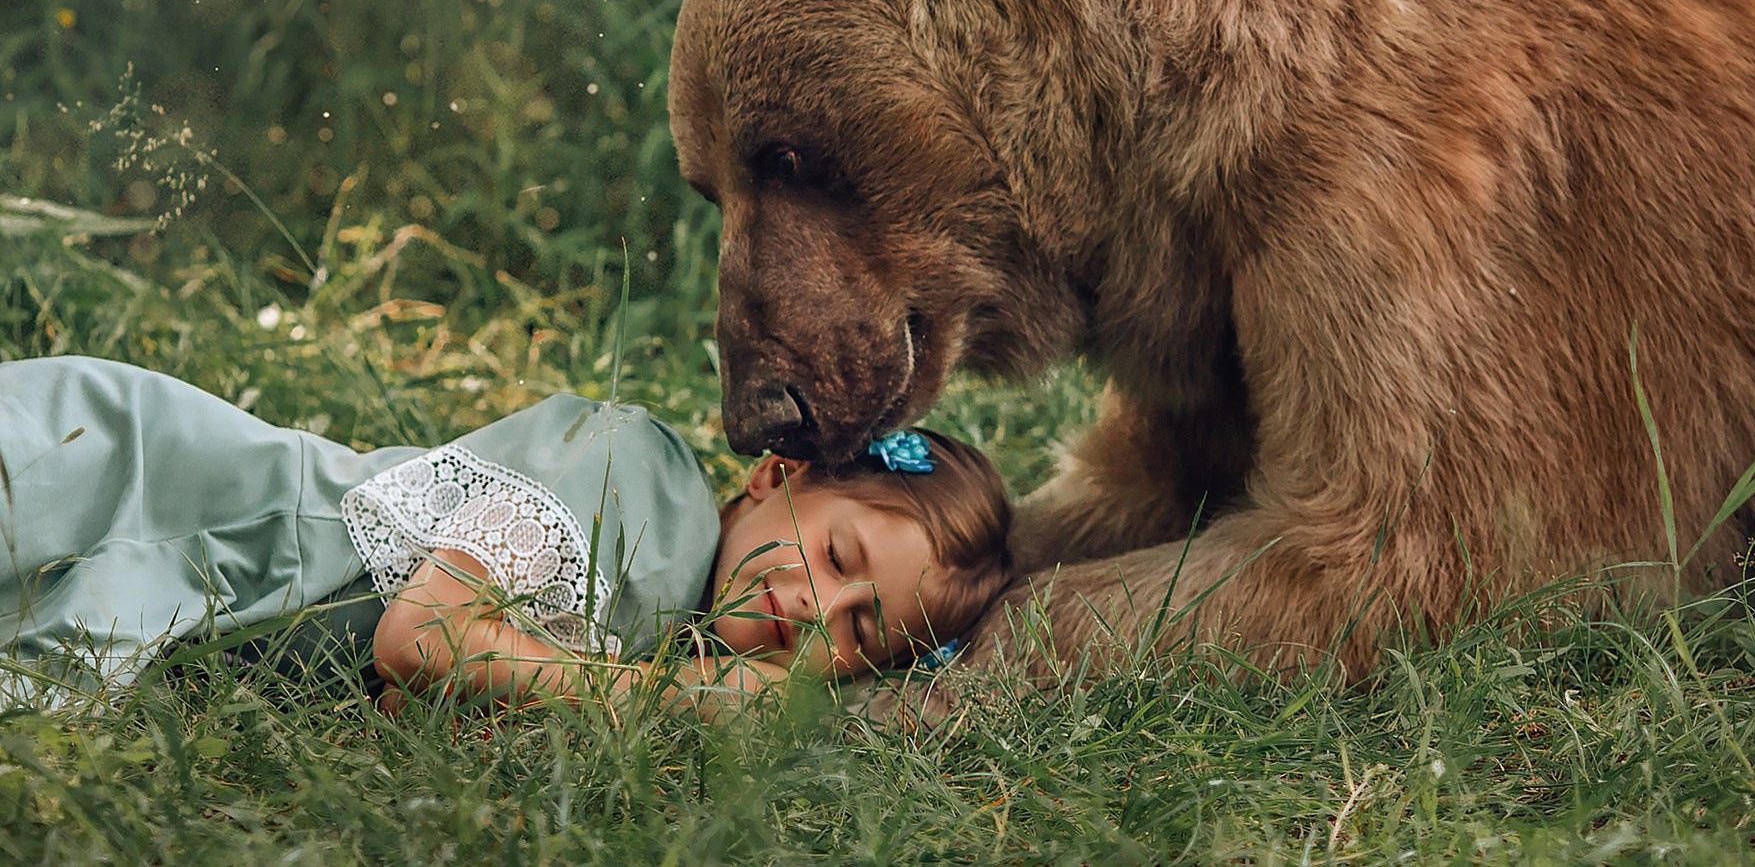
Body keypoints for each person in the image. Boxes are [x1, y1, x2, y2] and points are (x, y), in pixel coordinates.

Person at [0, 356, 1011, 711]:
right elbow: (424, 636)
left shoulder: (661, 621)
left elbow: (418, 691)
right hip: (122, 480)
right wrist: (675, 703)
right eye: (838, 558)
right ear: (776, 475)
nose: (813, 608)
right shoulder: (645, 481)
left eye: (862, 633)